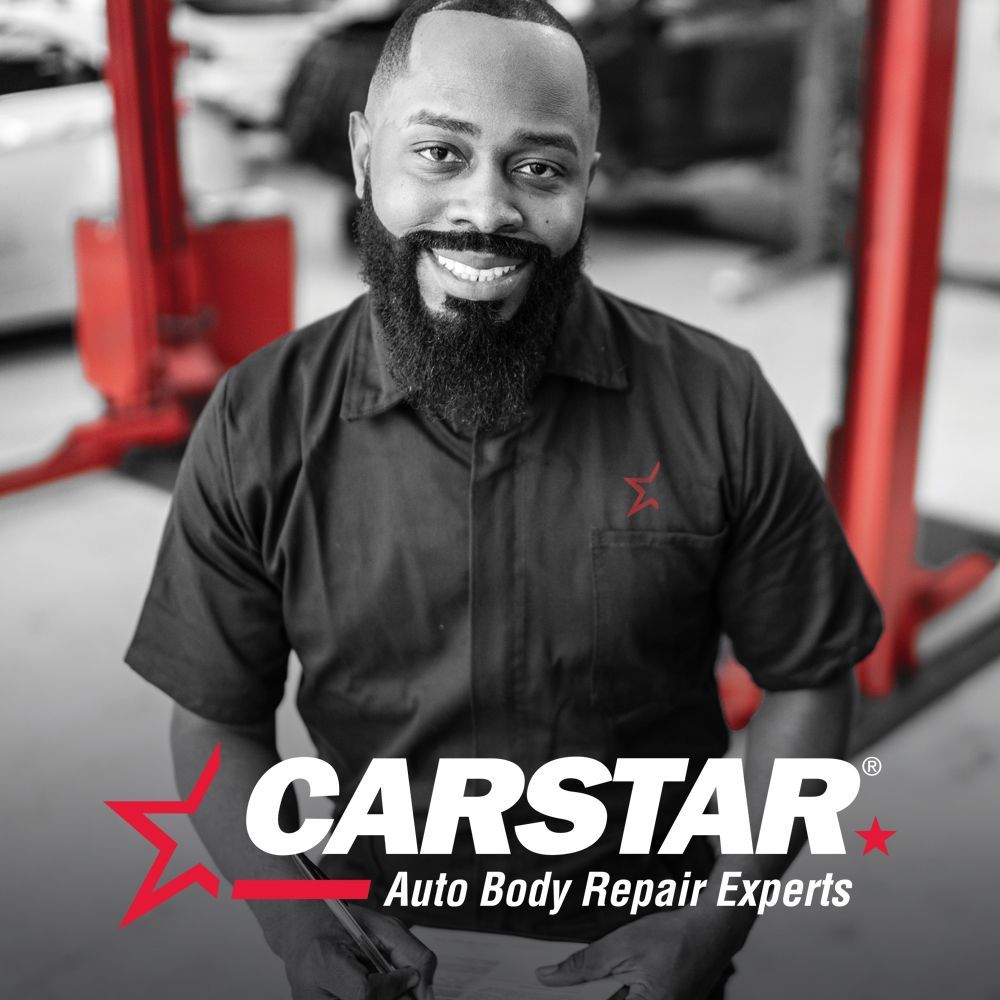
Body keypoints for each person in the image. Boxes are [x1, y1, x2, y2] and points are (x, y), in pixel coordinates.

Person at [126, 2, 883, 998]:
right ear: (363, 155)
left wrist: (714, 917)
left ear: (586, 182)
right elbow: (215, 719)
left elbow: (807, 676)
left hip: (645, 951)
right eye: (439, 152)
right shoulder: (258, 418)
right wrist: (297, 919)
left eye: (539, 168)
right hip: (380, 951)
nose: (486, 209)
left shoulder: (716, 399)